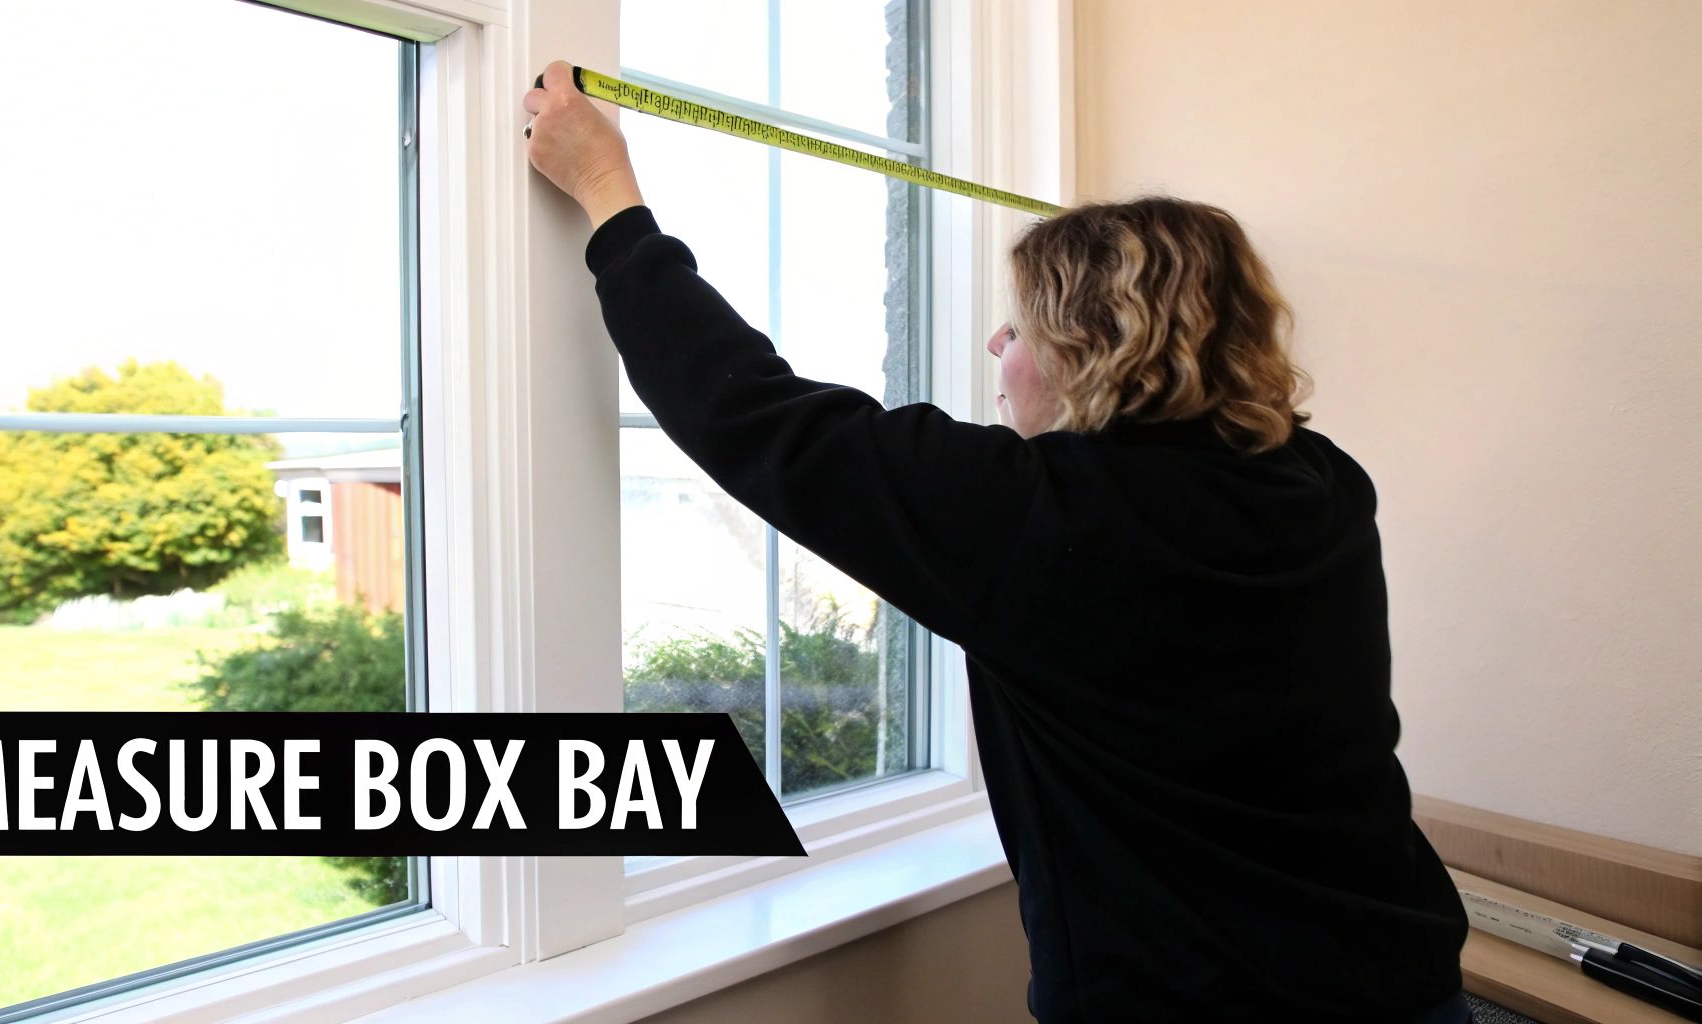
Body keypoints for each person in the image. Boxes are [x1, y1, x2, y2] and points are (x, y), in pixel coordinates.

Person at [523, 61, 1472, 1023]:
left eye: (1018, 326)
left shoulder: (1042, 516)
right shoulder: (1322, 482)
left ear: (1087, 348)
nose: (995, 348)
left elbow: (751, 413)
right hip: (1402, 978)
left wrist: (609, 193)